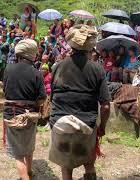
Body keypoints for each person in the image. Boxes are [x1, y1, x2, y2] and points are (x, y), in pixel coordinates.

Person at [48, 25, 111, 180]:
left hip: (60, 123)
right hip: (86, 125)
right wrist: (101, 127)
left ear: (72, 44)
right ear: (91, 46)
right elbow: (105, 105)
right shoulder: (97, 69)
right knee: (89, 162)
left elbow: (52, 96)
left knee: (66, 168)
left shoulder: (57, 67)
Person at [3, 39, 46, 180]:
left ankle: (26, 175)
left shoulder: (8, 69)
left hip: (11, 115)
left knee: (18, 154)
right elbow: (41, 99)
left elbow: (6, 91)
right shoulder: (37, 73)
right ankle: (29, 172)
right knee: (28, 147)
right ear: (32, 54)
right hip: (30, 115)